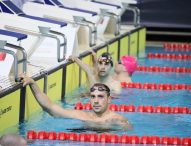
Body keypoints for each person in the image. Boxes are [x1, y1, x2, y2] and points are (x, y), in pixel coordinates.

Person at [20, 74, 131, 130]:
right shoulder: (81, 115)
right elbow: (50, 107)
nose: (96, 101)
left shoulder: (118, 120)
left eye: (100, 97)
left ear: (109, 99)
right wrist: (32, 83)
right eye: (93, 97)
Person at [69, 52, 138, 95]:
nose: (103, 67)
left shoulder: (115, 85)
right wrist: (74, 58)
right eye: (100, 64)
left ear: (111, 67)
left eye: (106, 64)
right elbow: (79, 61)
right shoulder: (91, 75)